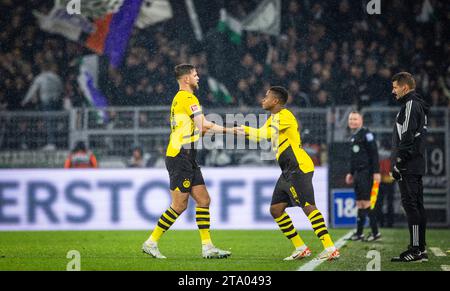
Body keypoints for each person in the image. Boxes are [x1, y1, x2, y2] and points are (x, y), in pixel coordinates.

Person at [235, 86, 340, 261]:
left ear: (275, 101)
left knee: (308, 206)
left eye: (266, 96)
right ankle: (301, 247)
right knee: (276, 210)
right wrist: (231, 129)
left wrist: (241, 129)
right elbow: (260, 134)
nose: (263, 99)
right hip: (287, 170)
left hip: (298, 167)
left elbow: (264, 135)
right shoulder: (274, 117)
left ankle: (330, 248)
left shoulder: (284, 116)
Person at [142, 64, 235, 259]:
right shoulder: (188, 98)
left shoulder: (179, 99)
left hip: (188, 156)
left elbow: (199, 128)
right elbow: (202, 126)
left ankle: (207, 247)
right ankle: (151, 242)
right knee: (179, 205)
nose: (198, 77)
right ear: (186, 79)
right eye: (195, 75)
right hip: (179, 156)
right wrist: (230, 130)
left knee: (203, 200)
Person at [390, 72, 429, 262]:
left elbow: (407, 137)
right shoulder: (417, 104)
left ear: (405, 87)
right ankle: (420, 248)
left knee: (411, 206)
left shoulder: (410, 105)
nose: (393, 91)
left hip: (408, 165)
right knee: (418, 206)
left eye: (395, 87)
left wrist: (398, 162)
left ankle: (415, 249)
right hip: (415, 163)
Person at [345, 111, 381, 242]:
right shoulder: (354, 136)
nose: (352, 121)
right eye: (351, 119)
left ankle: (375, 232)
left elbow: (374, 154)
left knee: (366, 202)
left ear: (361, 121)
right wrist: (350, 172)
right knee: (360, 203)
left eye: (355, 119)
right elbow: (354, 158)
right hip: (357, 173)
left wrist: (376, 172)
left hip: (366, 172)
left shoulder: (367, 134)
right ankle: (359, 233)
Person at [21, 63, 63, 150]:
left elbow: (33, 89)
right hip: (55, 102)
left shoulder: (40, 77)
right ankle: (54, 142)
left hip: (46, 102)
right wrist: (57, 98)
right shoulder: (56, 77)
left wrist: (25, 100)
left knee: (49, 123)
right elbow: (60, 88)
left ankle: (51, 143)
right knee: (53, 122)